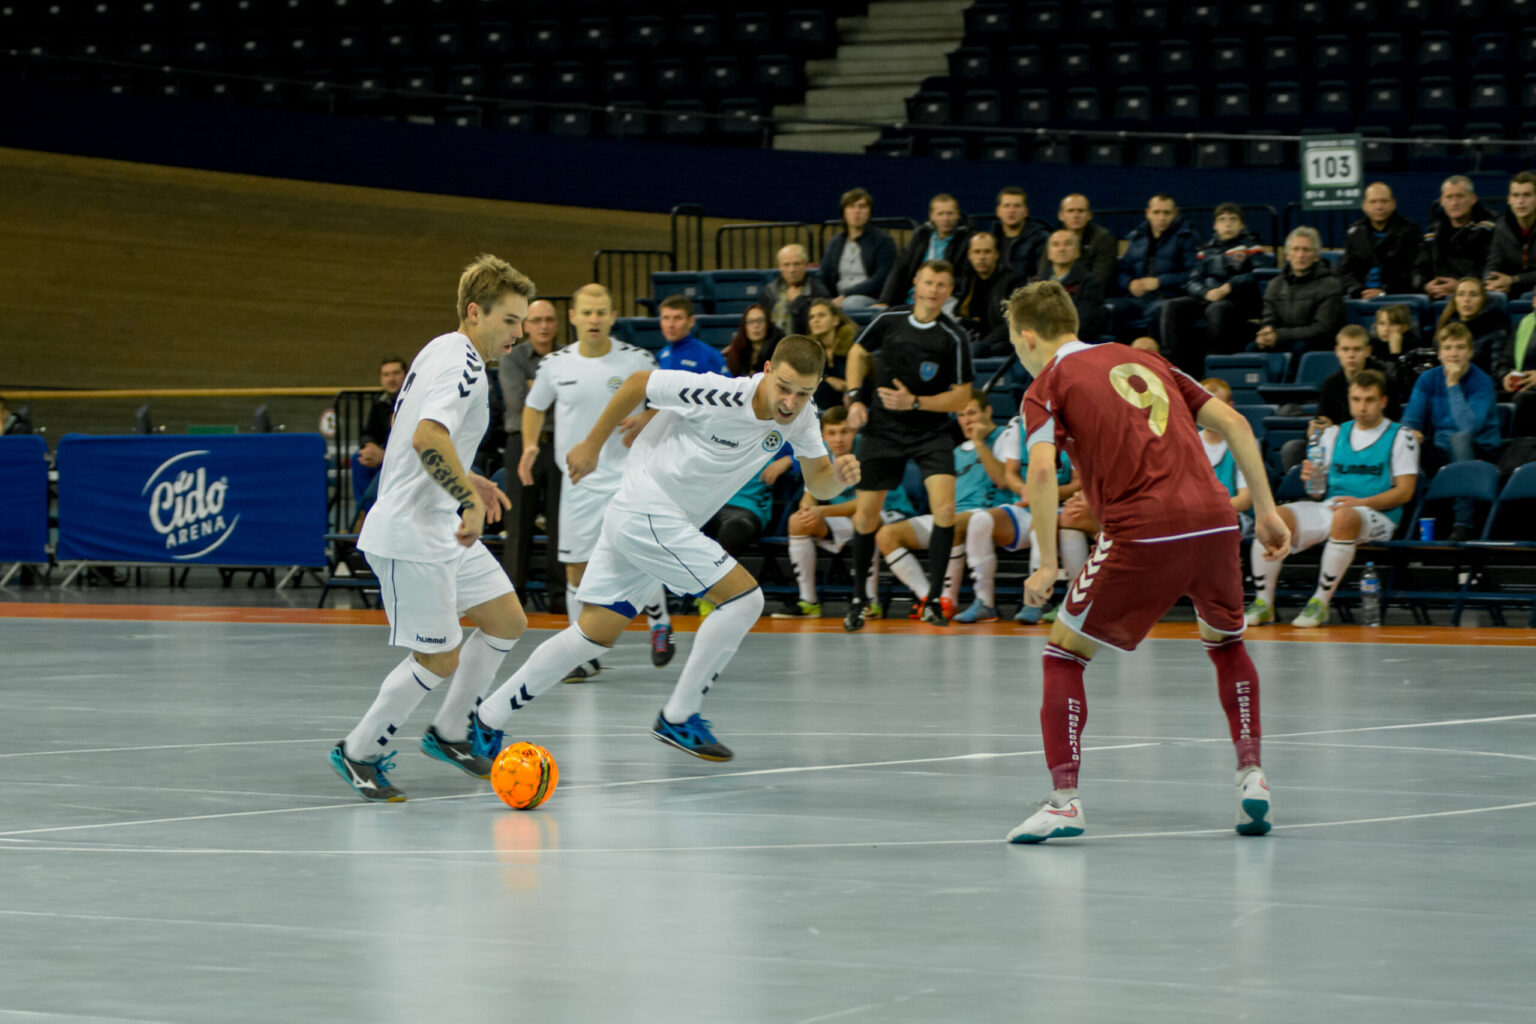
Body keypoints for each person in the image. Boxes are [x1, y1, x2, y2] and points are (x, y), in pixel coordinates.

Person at [468, 336, 860, 763]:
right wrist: (592, 444)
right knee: (746, 600)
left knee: (592, 635)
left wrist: (838, 479)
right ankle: (679, 715)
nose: (790, 401)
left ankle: (486, 719)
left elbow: (819, 481)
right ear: (766, 370)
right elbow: (638, 382)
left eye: (803, 392)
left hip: (650, 522)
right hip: (648, 512)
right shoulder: (721, 393)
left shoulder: (802, 418)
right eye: (784, 387)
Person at [1002, 279, 1291, 844]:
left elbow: (1039, 471)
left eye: (1015, 343)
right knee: (1227, 644)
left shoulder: (1047, 384)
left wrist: (1046, 562)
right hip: (1215, 520)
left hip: (1143, 528)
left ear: (1028, 337)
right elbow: (1235, 424)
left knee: (1063, 656)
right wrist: (1267, 510)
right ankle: (1251, 774)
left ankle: (1064, 802)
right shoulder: (1145, 359)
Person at [329, 253, 535, 802]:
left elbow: (413, 433)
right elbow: (425, 436)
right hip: (410, 533)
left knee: (506, 620)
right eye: (509, 320)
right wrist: (468, 498)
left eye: (521, 321)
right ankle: (358, 751)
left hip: (439, 522)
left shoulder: (443, 350)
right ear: (475, 311)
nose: (518, 333)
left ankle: (450, 733)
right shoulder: (463, 363)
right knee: (440, 657)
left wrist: (467, 478)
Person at [521, 283, 671, 681]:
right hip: (578, 483)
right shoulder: (555, 364)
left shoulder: (637, 360)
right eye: (586, 312)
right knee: (577, 569)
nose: (594, 319)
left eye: (601, 312)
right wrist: (530, 445)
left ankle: (659, 624)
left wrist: (646, 417)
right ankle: (582, 654)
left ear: (613, 316)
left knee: (640, 555)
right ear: (572, 317)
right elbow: (534, 408)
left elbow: (670, 404)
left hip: (629, 478)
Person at [842, 260, 974, 631]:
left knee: (944, 508)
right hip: (883, 431)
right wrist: (855, 398)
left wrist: (915, 402)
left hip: (931, 431)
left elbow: (962, 396)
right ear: (916, 283)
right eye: (929, 282)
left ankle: (933, 600)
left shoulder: (953, 336)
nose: (933, 290)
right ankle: (858, 599)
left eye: (941, 285)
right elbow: (857, 352)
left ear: (949, 291)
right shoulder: (890, 319)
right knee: (866, 515)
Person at [1246, 370, 1418, 628]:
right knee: (1273, 518)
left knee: (1345, 517)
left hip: (1379, 515)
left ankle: (1320, 603)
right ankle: (1263, 603)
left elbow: (1405, 492)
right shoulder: (1333, 434)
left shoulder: (1401, 436)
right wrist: (1310, 478)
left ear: (1383, 401)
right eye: (1356, 399)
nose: (1362, 407)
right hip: (1334, 506)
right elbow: (1317, 493)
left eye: (1369, 400)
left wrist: (1360, 503)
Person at [875, 394, 1007, 619]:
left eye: (972, 413)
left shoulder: (1005, 437)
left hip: (989, 514)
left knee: (950, 524)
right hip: (954, 516)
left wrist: (979, 443)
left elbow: (1002, 480)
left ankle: (947, 599)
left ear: (988, 411)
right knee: (887, 535)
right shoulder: (954, 452)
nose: (967, 420)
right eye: (961, 415)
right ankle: (929, 598)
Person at [776, 405, 911, 619]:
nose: (838, 439)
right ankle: (808, 602)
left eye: (844, 432)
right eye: (832, 433)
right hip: (846, 517)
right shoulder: (820, 454)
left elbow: (866, 505)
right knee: (797, 522)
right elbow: (809, 494)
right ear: (823, 435)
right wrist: (808, 509)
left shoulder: (868, 451)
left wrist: (823, 511)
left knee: (863, 519)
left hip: (889, 514)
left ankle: (870, 601)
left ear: (854, 432)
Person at [954, 410, 1086, 625]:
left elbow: (1078, 482)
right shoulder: (1018, 424)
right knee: (979, 521)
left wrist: (1045, 493)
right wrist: (1024, 490)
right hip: (1024, 506)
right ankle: (984, 602)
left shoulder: (1073, 424)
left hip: (1059, 506)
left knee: (1040, 525)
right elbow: (1010, 474)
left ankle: (1036, 602)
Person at [1401, 323, 1502, 539]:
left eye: (1460, 347)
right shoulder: (1428, 379)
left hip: (1480, 449)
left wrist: (1453, 384)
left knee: (1459, 439)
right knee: (1405, 440)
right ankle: (1407, 519)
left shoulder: (1482, 382)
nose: (1453, 353)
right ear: (1439, 353)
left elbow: (1468, 427)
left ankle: (1463, 522)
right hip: (1441, 448)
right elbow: (1410, 420)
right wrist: (1411, 432)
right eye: (1447, 348)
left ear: (1470, 352)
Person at [1159, 203, 1271, 377]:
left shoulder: (1252, 248)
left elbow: (1257, 274)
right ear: (1215, 225)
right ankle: (1175, 370)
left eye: (1233, 220)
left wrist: (1228, 287)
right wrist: (1205, 292)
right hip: (1208, 296)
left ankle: (1214, 368)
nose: (1228, 224)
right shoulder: (1205, 250)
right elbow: (1192, 281)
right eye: (1222, 220)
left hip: (1237, 301)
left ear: (1242, 225)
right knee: (1171, 306)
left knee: (1217, 309)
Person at [498, 299, 563, 597]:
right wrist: (556, 392)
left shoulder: (569, 357)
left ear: (557, 323)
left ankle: (560, 596)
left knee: (561, 522)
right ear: (525, 325)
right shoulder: (511, 357)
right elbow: (517, 402)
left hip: (561, 445)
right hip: (522, 443)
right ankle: (514, 594)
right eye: (537, 320)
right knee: (518, 522)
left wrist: (535, 387)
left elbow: (575, 402)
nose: (544, 326)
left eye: (549, 320)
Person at [1110, 193, 1200, 342]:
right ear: (1148, 213)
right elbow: (1122, 270)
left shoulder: (1187, 237)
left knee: (1158, 309)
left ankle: (1157, 354)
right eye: (1157, 212)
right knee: (1110, 308)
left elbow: (1192, 273)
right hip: (1137, 298)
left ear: (1175, 213)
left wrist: (1159, 282)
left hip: (1170, 297)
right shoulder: (1137, 238)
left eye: (1166, 213)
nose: (1161, 218)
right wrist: (1130, 283)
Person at [1252, 226, 1345, 360]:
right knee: (1254, 347)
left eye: (1306, 250)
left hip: (1316, 342)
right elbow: (1269, 318)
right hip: (1284, 339)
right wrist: (1267, 331)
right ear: (1288, 255)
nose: (1300, 255)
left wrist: (1280, 335)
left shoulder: (1330, 285)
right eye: (1295, 249)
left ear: (1316, 256)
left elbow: (1321, 328)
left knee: (1301, 347)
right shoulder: (1275, 284)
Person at [879, 192, 970, 307]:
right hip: (910, 301)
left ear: (957, 214)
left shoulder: (967, 240)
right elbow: (900, 268)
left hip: (945, 301)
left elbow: (964, 279)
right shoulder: (921, 236)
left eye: (950, 213)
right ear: (932, 216)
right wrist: (885, 301)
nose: (945, 218)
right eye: (940, 214)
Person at [1417, 175, 1496, 301]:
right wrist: (1425, 286)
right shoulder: (1432, 232)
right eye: (1449, 197)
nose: (1454, 203)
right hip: (1438, 296)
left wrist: (1461, 285)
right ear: (1441, 201)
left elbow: (1490, 267)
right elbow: (1420, 267)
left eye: (1460, 196)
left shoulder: (1488, 229)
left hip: (1475, 296)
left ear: (1473, 199)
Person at [1339, 182, 1422, 299]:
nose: (1379, 207)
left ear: (1393, 204)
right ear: (1364, 206)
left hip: (1396, 297)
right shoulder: (1355, 233)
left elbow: (1414, 272)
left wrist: (1384, 291)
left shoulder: (1410, 231)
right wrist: (1358, 291)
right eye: (1373, 202)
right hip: (1360, 296)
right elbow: (1345, 271)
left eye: (1384, 201)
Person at [820, 187, 897, 313]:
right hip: (837, 297)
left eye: (862, 206)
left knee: (850, 304)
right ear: (844, 212)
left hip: (869, 297)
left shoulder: (883, 240)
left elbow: (882, 277)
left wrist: (846, 295)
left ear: (869, 212)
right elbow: (824, 274)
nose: (857, 211)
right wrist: (825, 298)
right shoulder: (836, 242)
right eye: (851, 206)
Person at [1199, 378, 1254, 537]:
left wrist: (1207, 511)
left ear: (1229, 407)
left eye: (1216, 407)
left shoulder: (1243, 443)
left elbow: (1245, 500)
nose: (1209, 414)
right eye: (1203, 407)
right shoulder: (1188, 443)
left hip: (1233, 516)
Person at [351, 355, 406, 512]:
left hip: (406, 458)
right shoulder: (380, 403)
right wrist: (370, 447)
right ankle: (366, 513)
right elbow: (368, 432)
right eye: (386, 375)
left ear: (406, 375)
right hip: (384, 457)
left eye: (396, 373)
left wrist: (385, 455)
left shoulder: (413, 400)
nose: (391, 379)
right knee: (359, 459)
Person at [955, 231, 1024, 356]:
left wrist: (985, 341)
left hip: (1002, 342)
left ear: (996, 254)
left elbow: (1014, 322)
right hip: (975, 339)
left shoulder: (1013, 281)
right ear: (969, 255)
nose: (982, 257)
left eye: (987, 252)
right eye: (977, 252)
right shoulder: (966, 281)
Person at [1033, 229, 1106, 340]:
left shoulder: (1090, 283)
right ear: (1048, 254)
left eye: (1067, 244)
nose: (1061, 249)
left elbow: (1083, 322)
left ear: (1077, 252)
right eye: (1056, 245)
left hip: (1073, 342)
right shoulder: (1037, 282)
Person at [1434, 276, 1509, 373]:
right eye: (1461, 294)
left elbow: (1497, 370)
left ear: (1482, 299)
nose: (1466, 300)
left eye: (1473, 295)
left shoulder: (1495, 330)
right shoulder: (1446, 325)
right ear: (1455, 299)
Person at [1485, 172, 1536, 299]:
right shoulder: (1502, 227)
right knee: (1492, 296)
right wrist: (1491, 282)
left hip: (1529, 288)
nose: (1521, 201)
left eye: (1527, 195)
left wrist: (1513, 280)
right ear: (1509, 200)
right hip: (1510, 288)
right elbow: (1493, 264)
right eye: (1516, 195)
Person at [762, 243, 829, 336]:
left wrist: (798, 301)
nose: (792, 270)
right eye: (786, 265)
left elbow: (819, 326)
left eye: (796, 264)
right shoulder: (769, 291)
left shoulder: (818, 291)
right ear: (780, 267)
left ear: (806, 265)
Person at [1055, 193, 1117, 288]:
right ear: (1061, 216)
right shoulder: (1054, 239)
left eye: (1081, 211)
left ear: (1089, 215)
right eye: (1070, 211)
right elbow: (1044, 272)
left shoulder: (1103, 238)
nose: (1076, 215)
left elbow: (1100, 278)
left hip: (1091, 292)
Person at [805, 297, 856, 409]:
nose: (815, 320)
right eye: (811, 317)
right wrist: (827, 378)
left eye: (821, 315)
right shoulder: (809, 348)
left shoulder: (852, 343)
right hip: (825, 404)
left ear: (835, 320)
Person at [657, 294, 727, 374]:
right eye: (666, 318)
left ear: (691, 321)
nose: (671, 325)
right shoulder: (660, 356)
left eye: (678, 318)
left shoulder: (710, 356)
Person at [991, 186, 1051, 279]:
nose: (1011, 210)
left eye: (1017, 206)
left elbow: (1042, 275)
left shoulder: (1041, 238)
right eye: (1007, 206)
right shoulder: (992, 237)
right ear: (998, 211)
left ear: (1026, 211)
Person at [1497, 309, 1536, 436]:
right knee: (1492, 396)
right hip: (1520, 386)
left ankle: (1523, 444)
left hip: (1527, 395)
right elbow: (1504, 361)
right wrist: (1505, 376)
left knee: (1523, 399)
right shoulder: (1524, 324)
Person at [723, 303, 784, 378]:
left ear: (768, 324)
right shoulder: (736, 352)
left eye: (760, 320)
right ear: (744, 326)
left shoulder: (779, 352)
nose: (756, 326)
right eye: (751, 321)